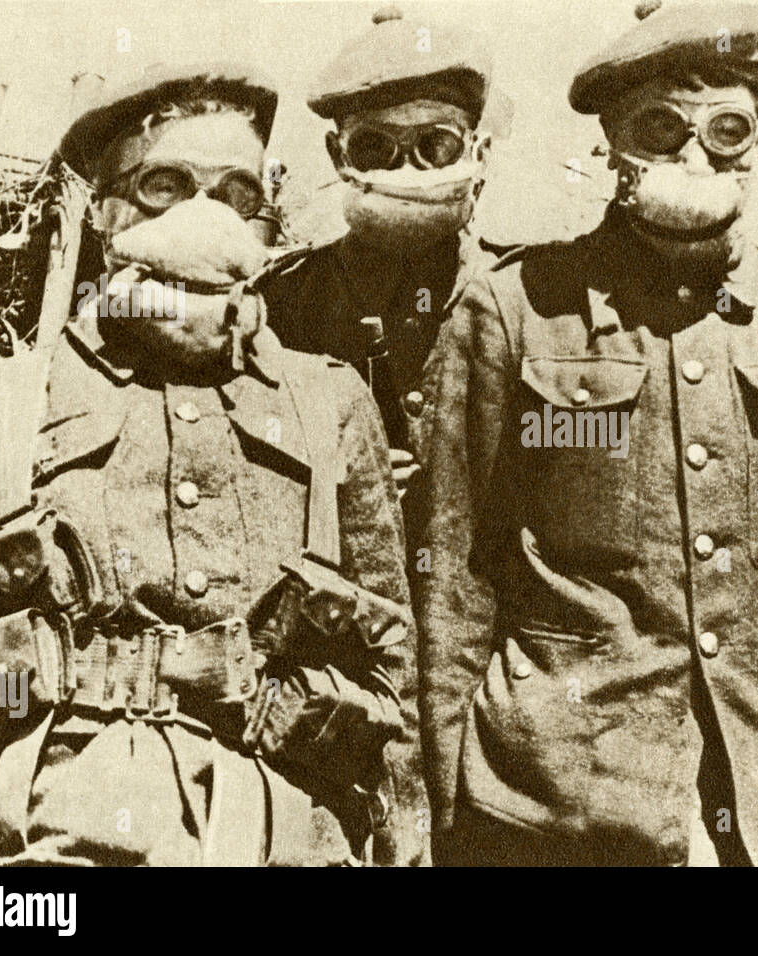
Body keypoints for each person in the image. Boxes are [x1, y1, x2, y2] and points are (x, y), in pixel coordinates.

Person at [415, 0, 758, 866]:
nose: (695, 154)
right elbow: (456, 575)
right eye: (661, 127)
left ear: (757, 139)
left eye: (726, 129)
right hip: (560, 793)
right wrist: (442, 796)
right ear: (613, 141)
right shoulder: (516, 307)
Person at [0, 63, 413, 866]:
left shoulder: (332, 405)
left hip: (284, 840)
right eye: (165, 184)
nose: (203, 214)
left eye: (235, 193)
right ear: (106, 209)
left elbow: (390, 673)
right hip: (49, 856)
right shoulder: (1, 405)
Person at [259, 5, 509, 866]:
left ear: (476, 147)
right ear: (338, 156)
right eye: (375, 147)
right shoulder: (283, 306)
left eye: (434, 144)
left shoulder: (531, 302)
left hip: (498, 662)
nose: (405, 169)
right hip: (340, 666)